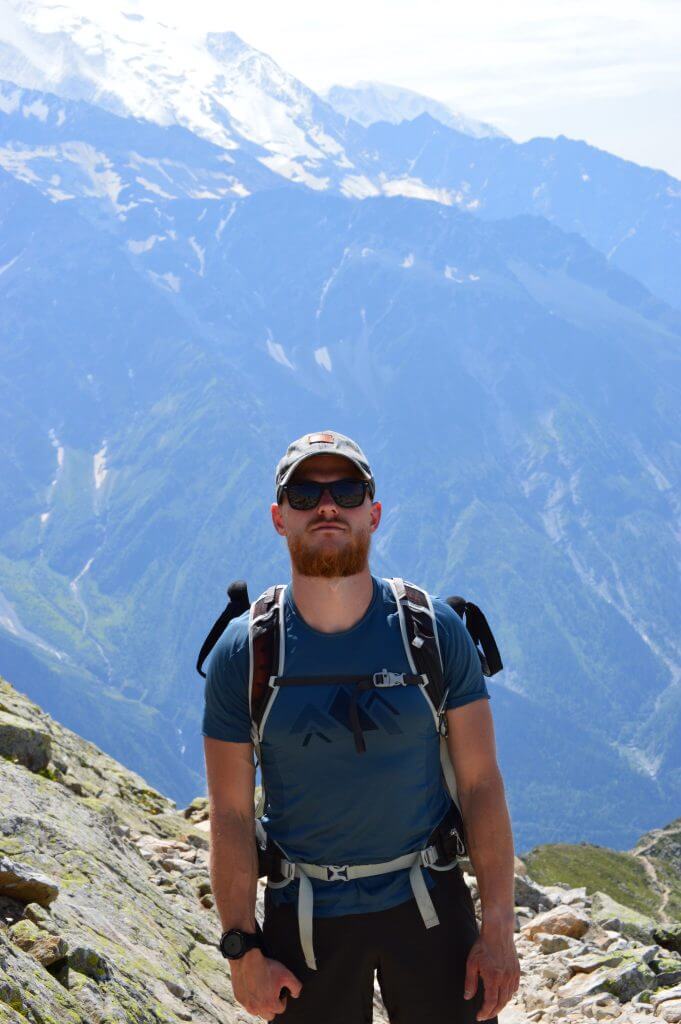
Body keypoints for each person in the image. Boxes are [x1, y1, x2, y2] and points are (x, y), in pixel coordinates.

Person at [202, 430, 520, 1023]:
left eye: (346, 492)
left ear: (372, 514)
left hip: (429, 902)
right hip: (305, 915)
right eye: (305, 494)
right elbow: (231, 815)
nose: (327, 506)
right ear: (279, 518)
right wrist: (241, 949)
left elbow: (481, 783)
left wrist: (499, 924)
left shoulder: (434, 631)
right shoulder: (244, 654)